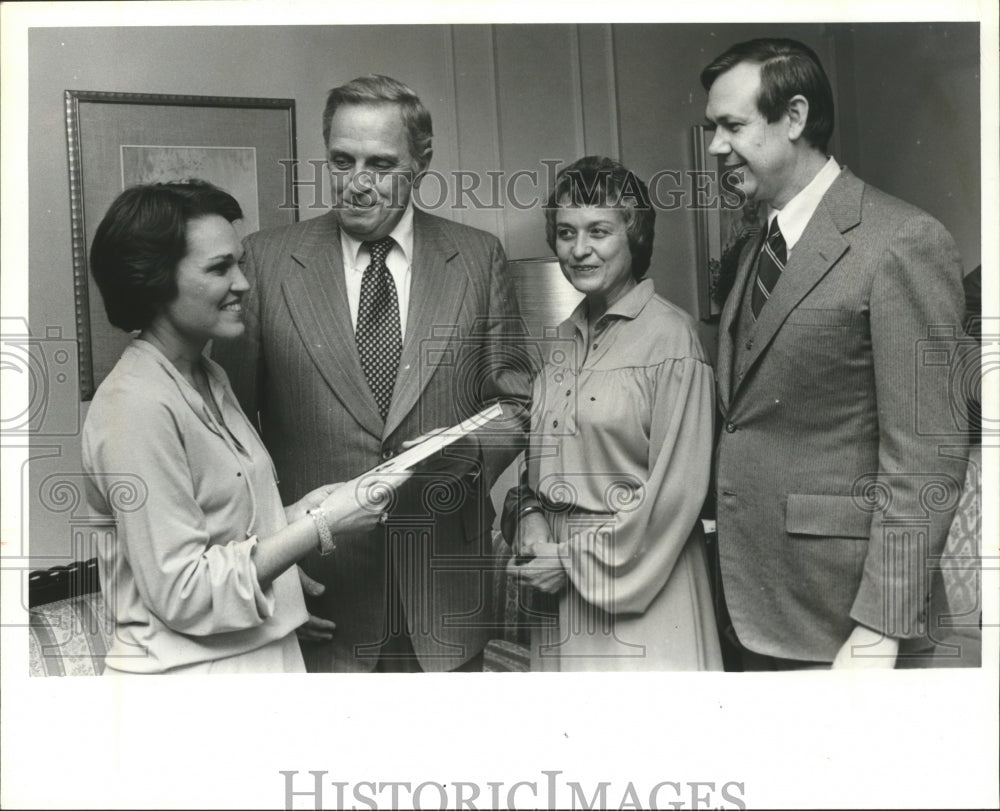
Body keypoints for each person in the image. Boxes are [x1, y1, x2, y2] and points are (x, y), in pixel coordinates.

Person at [213, 75, 530, 673]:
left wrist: (459, 459)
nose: (356, 184)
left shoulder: (478, 258)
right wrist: (275, 563)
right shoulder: (266, 260)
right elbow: (227, 435)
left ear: (422, 162)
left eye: (381, 165)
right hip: (319, 591)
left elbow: (518, 404)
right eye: (341, 161)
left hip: (445, 593)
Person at [702, 38, 969, 669]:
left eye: (732, 126)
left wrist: (880, 625)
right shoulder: (749, 250)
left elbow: (927, 455)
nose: (715, 146)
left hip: (848, 622)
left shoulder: (902, 241)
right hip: (751, 609)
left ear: (794, 118)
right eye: (712, 127)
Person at [82, 181, 393, 674]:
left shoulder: (208, 377)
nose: (244, 284)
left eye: (239, 263)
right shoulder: (133, 405)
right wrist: (321, 526)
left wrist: (298, 513)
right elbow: (183, 592)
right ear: (155, 281)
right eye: (219, 268)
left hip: (254, 664)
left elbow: (223, 530)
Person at [501, 156, 723, 671]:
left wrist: (575, 564)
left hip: (642, 587)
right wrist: (531, 519)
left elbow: (678, 493)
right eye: (565, 233)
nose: (579, 250)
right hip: (557, 591)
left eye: (598, 231)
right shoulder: (558, 343)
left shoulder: (672, 338)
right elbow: (537, 464)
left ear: (635, 234)